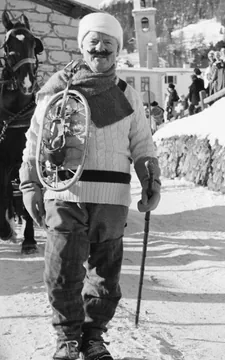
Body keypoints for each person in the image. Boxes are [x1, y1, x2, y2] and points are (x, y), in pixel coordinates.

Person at [19, 12, 162, 360]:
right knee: (62, 271)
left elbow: (142, 143)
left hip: (111, 200)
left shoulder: (127, 95)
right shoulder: (57, 90)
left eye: (108, 44)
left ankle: (93, 337)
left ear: (117, 50)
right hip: (65, 193)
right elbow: (35, 139)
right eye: (94, 42)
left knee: (104, 276)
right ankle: (67, 338)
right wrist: (29, 184)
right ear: (82, 46)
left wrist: (150, 180)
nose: (100, 49)